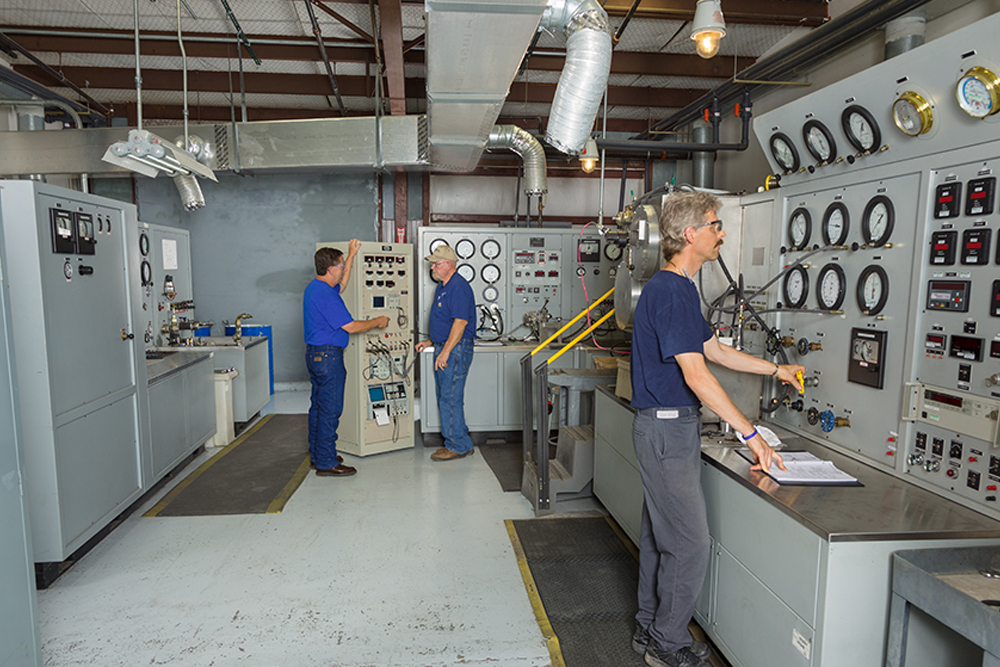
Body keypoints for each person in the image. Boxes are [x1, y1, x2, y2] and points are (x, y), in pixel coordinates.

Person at [629, 191, 805, 667]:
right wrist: (751, 435)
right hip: (666, 430)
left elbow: (717, 351)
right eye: (715, 224)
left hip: (670, 429)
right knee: (690, 542)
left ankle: (649, 628)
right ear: (691, 234)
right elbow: (696, 373)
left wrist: (775, 370)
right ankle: (667, 644)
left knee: (660, 537)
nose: (721, 233)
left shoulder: (682, 288)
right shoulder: (669, 290)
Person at [303, 240, 389, 477]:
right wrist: (377, 322)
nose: (342, 270)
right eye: (340, 265)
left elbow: (343, 282)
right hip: (329, 357)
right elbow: (351, 327)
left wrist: (351, 256)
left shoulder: (316, 288)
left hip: (315, 355)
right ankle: (327, 462)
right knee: (330, 409)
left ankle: (319, 454)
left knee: (318, 408)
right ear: (330, 269)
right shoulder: (326, 296)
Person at [415, 245, 476, 461]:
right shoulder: (442, 287)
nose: (432, 267)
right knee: (447, 397)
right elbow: (446, 320)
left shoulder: (458, 287)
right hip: (445, 346)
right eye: (433, 263)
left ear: (449, 264)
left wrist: (445, 352)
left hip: (455, 349)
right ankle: (462, 442)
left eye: (437, 263)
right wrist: (431, 340)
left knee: (449, 399)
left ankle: (456, 446)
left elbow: (460, 323)